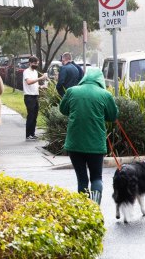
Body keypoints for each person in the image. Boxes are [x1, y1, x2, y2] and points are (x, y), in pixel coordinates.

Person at [59, 68, 119, 205]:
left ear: (85, 77)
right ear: (100, 79)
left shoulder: (72, 91)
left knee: (82, 179)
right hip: (96, 144)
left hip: (75, 144)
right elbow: (113, 116)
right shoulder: (105, 94)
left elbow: (63, 109)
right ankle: (95, 207)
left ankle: (85, 210)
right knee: (96, 178)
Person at [22, 56, 47, 141]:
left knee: (35, 115)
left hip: (35, 95)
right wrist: (40, 78)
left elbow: (35, 84)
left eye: (37, 63)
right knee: (30, 115)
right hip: (29, 96)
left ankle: (32, 133)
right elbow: (28, 82)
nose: (36, 65)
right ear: (30, 63)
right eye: (34, 63)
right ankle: (28, 134)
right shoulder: (26, 72)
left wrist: (41, 86)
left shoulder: (35, 72)